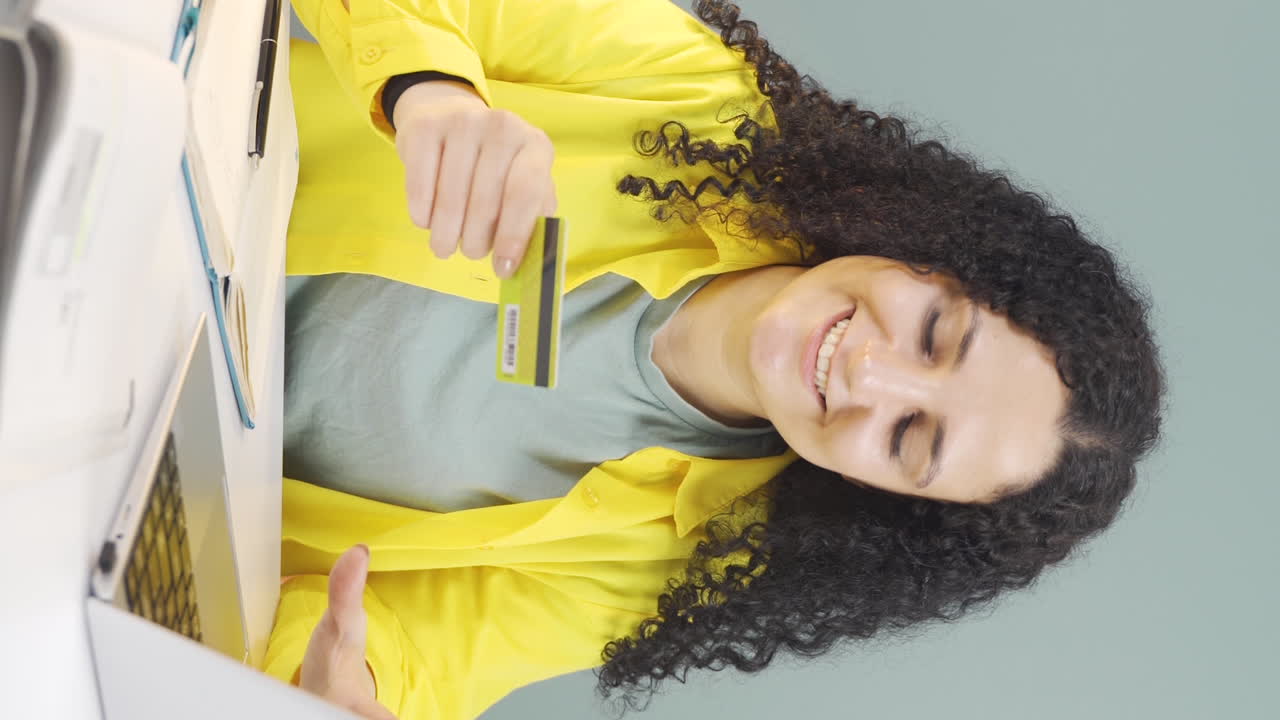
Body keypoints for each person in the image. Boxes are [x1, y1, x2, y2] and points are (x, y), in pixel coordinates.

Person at [269, 1, 1165, 718]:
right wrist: (432, 88)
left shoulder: (661, 571)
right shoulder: (695, 97)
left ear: (888, 501)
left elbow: (411, 647)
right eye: (935, 332)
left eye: (910, 439)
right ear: (935, 249)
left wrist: (356, 694)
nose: (871, 377)